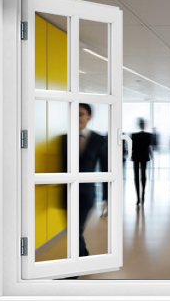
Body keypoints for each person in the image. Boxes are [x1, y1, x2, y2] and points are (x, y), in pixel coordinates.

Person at [61, 103, 108, 258]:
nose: (77, 118)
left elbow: (105, 169)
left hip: (86, 194)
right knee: (74, 230)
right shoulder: (63, 139)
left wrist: (107, 197)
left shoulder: (99, 139)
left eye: (80, 114)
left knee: (76, 230)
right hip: (66, 194)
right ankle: (84, 256)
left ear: (89, 117)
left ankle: (74, 269)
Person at [131, 118, 156, 206]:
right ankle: (141, 196)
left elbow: (132, 147)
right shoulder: (148, 135)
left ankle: (139, 197)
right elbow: (150, 145)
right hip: (143, 156)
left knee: (138, 176)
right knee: (142, 176)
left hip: (137, 156)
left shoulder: (134, 135)